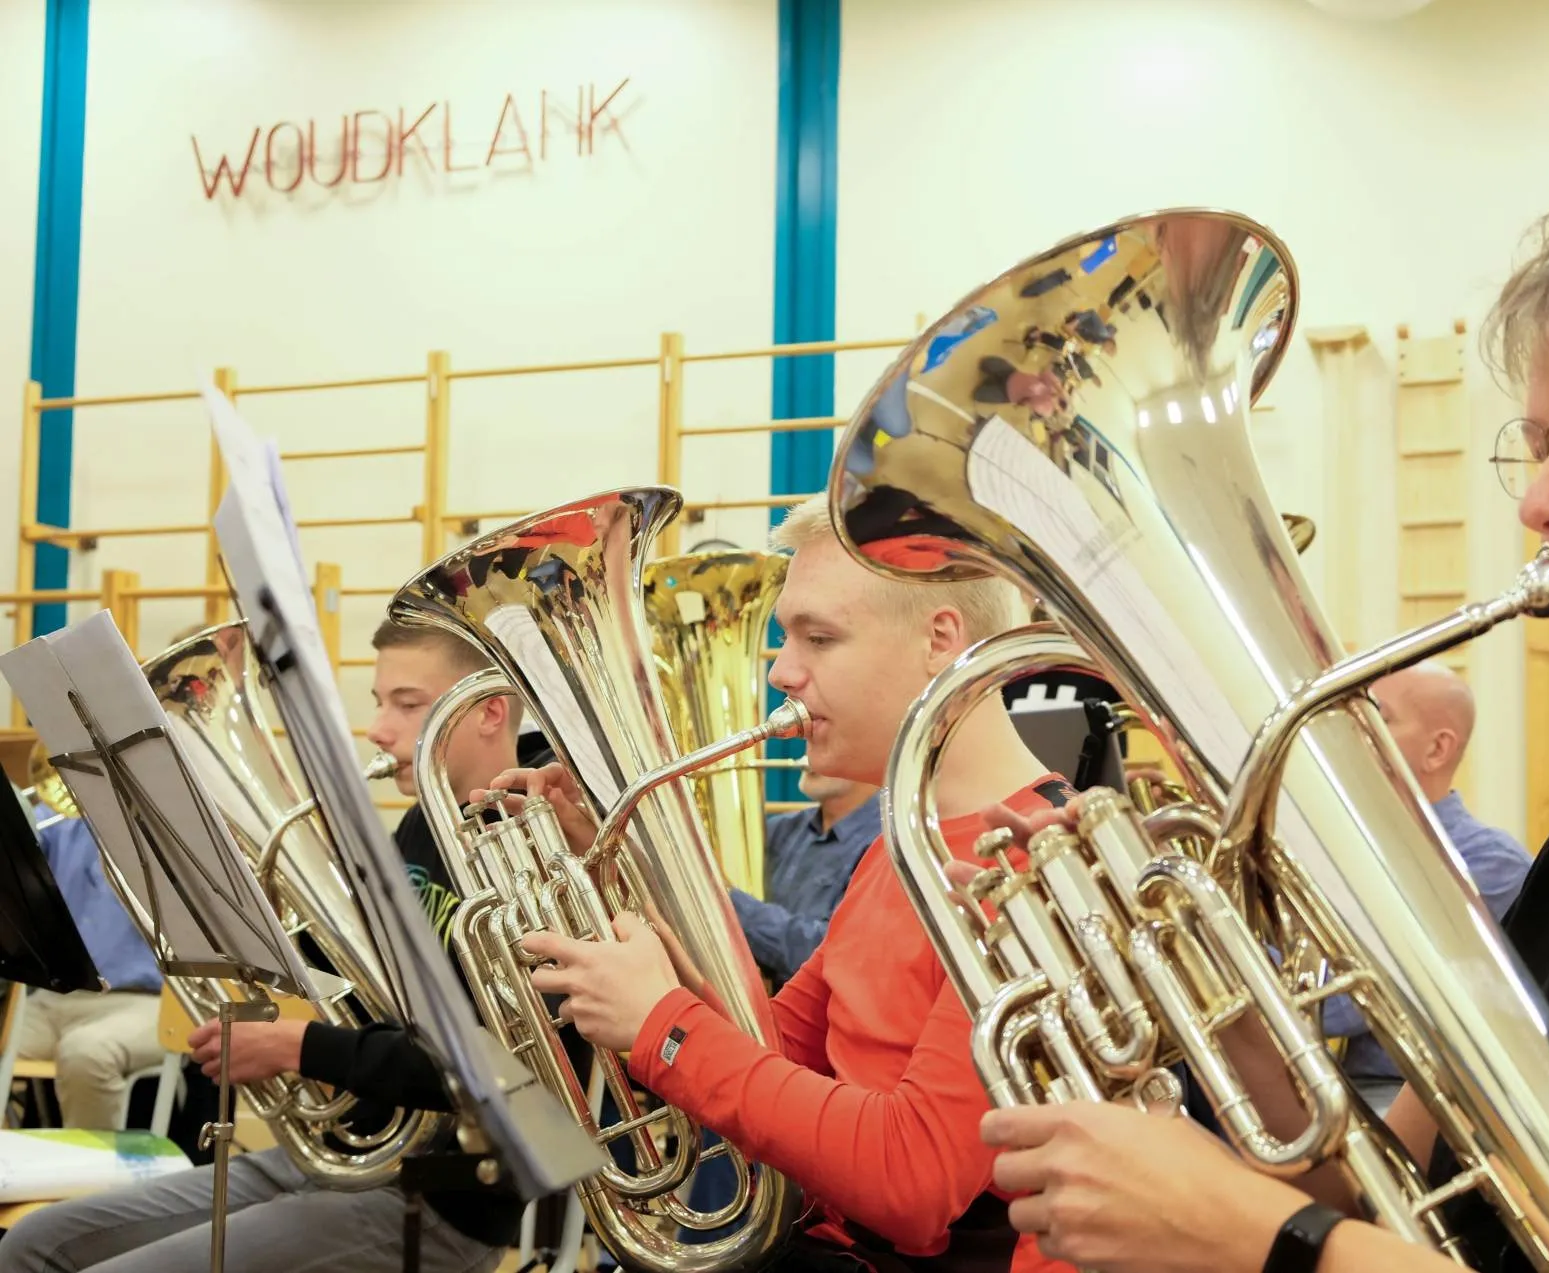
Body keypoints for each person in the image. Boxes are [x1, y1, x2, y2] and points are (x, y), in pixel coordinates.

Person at [974, 149, 1549, 1273]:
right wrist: (1220, 1010)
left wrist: (1268, 1243)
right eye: (1543, 442)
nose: (1546, 500)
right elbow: (1397, 1188)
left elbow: (1315, 1235)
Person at [483, 497, 1077, 1273]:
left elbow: (913, 1180)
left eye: (818, 637)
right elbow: (772, 1047)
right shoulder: (903, 848)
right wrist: (611, 875)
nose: (782, 671)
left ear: (941, 640)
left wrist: (660, 1024)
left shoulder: (1036, 863)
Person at [0, 621, 544, 1273]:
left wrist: (299, 1045)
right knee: (34, 1244)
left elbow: (498, 1073)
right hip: (337, 1156)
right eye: (378, 701)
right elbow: (366, 987)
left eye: (407, 702)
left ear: (486, 711)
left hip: (439, 1203)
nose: (379, 727)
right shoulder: (418, 827)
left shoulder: (531, 854)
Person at [1326, 660, 1532, 1114]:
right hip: (1342, 1083)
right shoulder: (1350, 847)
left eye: (1377, 716)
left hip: (1419, 1100)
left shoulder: (1485, 863)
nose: (1349, 731)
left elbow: (1340, 1002)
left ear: (1437, 751)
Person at [10, 802, 166, 1131]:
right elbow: (18, 845)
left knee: (86, 1054)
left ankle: (92, 1180)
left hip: (148, 1001)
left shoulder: (161, 825)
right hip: (56, 998)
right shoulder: (58, 819)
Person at [729, 767, 881, 984]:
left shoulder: (885, 844)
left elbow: (830, 953)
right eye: (808, 740)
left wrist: (727, 901)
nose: (808, 755)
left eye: (826, 737)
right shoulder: (778, 829)